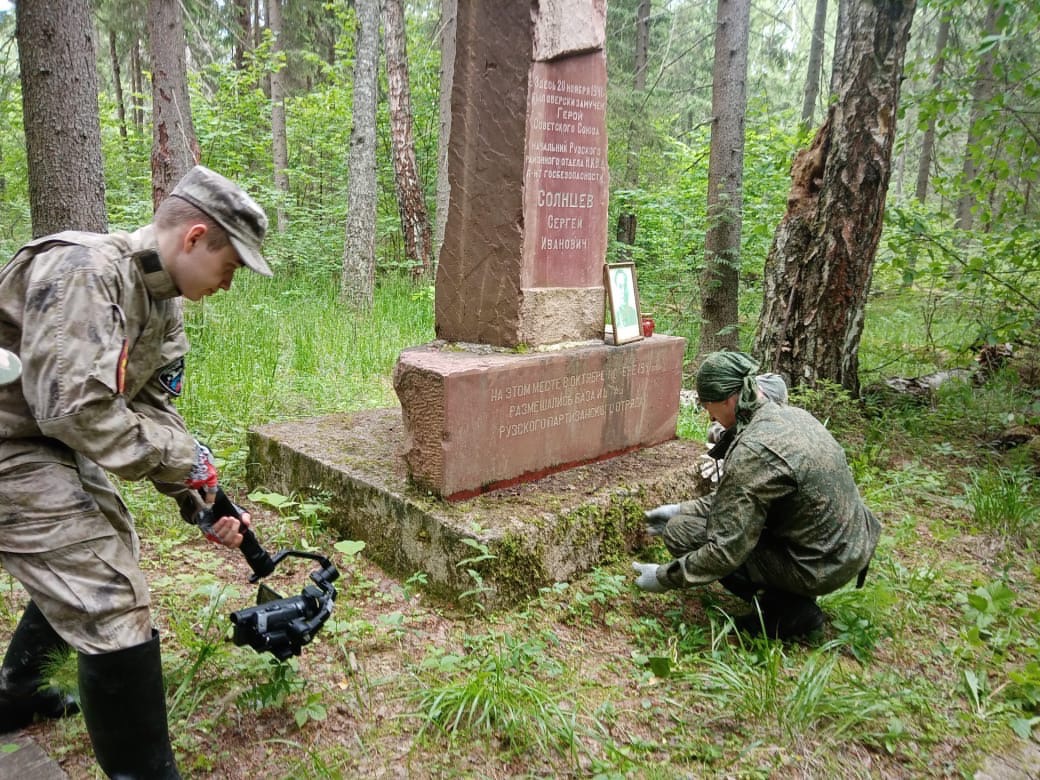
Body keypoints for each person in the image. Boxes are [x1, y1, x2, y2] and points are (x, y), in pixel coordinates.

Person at [0, 165, 271, 778]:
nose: (228, 285)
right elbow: (75, 407)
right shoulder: (85, 270)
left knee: (112, 538)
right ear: (195, 237)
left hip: (40, 437)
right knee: (111, 596)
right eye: (230, 267)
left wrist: (204, 503)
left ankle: (14, 696)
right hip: (12, 441)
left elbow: (152, 413)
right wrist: (184, 460)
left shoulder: (161, 303)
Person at [633, 351, 880, 640]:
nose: (710, 416)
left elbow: (725, 550)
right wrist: (682, 507)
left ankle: (785, 611)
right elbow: (743, 497)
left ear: (728, 399)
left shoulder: (753, 451)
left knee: (682, 533)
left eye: (708, 406)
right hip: (850, 547)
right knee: (683, 521)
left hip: (822, 565)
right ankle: (788, 599)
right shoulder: (789, 417)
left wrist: (663, 576)